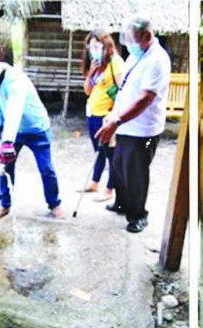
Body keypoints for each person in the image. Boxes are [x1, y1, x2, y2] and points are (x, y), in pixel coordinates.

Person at [0, 42, 66, 219]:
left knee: (46, 168)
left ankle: (54, 204)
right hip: (12, 132)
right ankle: (5, 204)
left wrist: (7, 141)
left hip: (36, 129)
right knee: (4, 166)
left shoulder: (16, 80)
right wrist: (0, 129)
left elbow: (15, 109)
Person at [94, 17, 170, 233]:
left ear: (147, 36)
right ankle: (122, 203)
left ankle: (138, 215)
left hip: (143, 130)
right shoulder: (136, 56)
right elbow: (125, 89)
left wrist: (117, 120)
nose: (128, 46)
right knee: (119, 167)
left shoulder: (157, 60)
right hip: (125, 123)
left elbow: (145, 99)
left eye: (132, 41)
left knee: (136, 172)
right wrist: (113, 114)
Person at [80, 28, 124, 202]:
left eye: (97, 46)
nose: (93, 50)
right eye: (90, 46)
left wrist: (114, 115)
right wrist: (91, 72)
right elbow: (87, 91)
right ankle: (94, 182)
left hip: (106, 116)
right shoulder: (96, 66)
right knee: (98, 151)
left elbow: (122, 91)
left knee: (111, 153)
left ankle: (109, 188)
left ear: (106, 45)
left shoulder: (115, 63)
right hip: (92, 114)